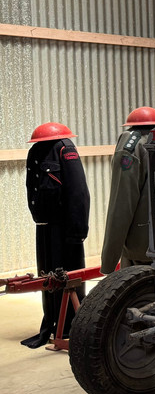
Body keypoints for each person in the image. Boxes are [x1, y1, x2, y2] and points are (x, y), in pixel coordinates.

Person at [22, 122, 91, 349]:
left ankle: (73, 326)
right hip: (44, 225)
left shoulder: (64, 148)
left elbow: (78, 191)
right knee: (47, 278)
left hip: (65, 226)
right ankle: (51, 323)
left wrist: (78, 230)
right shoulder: (37, 150)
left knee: (68, 276)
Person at [100, 107, 155, 274]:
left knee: (136, 296)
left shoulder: (131, 143)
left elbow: (122, 203)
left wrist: (108, 261)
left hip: (140, 248)